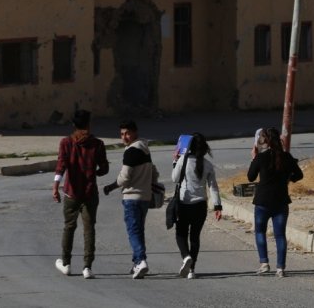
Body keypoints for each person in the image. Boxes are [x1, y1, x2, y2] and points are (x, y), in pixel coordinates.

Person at [52, 109, 108, 280]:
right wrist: (95, 173)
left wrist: (55, 187)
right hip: (90, 193)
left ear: (73, 125)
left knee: (69, 227)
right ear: (88, 124)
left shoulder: (66, 143)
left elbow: (61, 166)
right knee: (89, 229)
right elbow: (104, 168)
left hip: (71, 192)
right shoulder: (97, 144)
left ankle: (66, 263)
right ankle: (87, 267)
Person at [103, 120, 158, 279]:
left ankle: (141, 261)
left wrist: (111, 186)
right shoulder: (145, 149)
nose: (124, 137)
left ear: (135, 132)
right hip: (145, 197)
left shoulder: (131, 152)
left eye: (127, 133)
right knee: (139, 230)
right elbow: (154, 172)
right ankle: (136, 263)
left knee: (133, 231)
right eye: (121, 134)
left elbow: (124, 178)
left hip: (132, 197)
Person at [246, 127, 303, 278]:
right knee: (280, 235)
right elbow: (299, 175)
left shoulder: (261, 157)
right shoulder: (286, 156)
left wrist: (253, 158)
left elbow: (250, 177)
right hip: (281, 201)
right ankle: (281, 268)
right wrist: (287, 179)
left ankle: (264, 263)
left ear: (265, 140)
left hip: (263, 201)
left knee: (260, 232)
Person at [169, 132, 222, 279]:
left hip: (184, 204)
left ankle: (186, 257)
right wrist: (218, 206)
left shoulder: (183, 161)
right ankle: (192, 269)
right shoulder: (208, 165)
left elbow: (174, 179)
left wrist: (175, 162)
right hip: (200, 206)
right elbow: (213, 188)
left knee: (181, 234)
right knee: (195, 237)